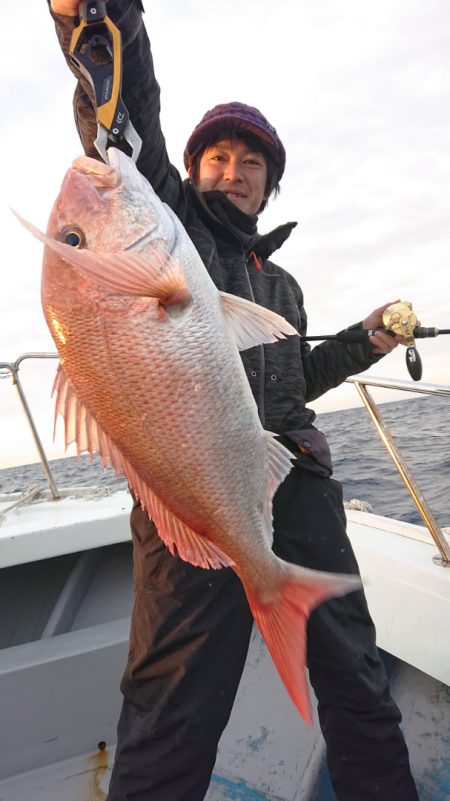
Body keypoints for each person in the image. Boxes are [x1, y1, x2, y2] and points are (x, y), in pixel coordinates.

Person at [48, 2, 420, 800]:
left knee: (358, 681)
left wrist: (366, 340)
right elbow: (124, 110)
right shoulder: (169, 225)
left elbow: (296, 379)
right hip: (189, 496)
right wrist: (107, 21)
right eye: (217, 156)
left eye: (252, 162)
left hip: (297, 481)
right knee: (171, 708)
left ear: (269, 184)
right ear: (189, 171)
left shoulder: (279, 283)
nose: (234, 170)